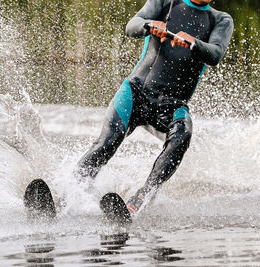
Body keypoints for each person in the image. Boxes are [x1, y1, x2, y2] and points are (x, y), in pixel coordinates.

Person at [74, 0, 234, 216]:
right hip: (136, 92)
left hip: (173, 105)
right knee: (106, 144)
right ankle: (71, 194)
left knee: (183, 135)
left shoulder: (220, 20)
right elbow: (132, 26)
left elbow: (215, 54)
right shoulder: (165, 2)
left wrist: (194, 43)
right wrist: (149, 25)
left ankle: (140, 199)